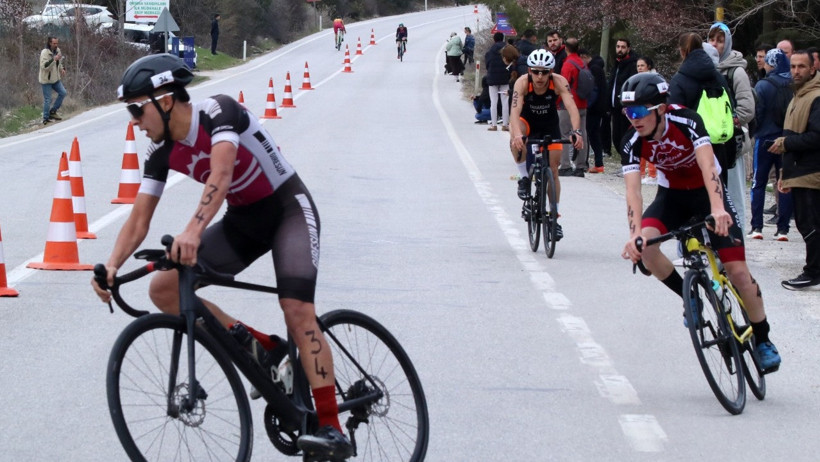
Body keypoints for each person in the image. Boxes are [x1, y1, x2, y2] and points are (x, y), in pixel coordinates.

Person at [90, 54, 354, 459]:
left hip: (287, 210)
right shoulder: (160, 152)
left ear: (165, 100)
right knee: (164, 288)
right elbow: (139, 218)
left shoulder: (218, 113)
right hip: (242, 223)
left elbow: (222, 172)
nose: (134, 121)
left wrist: (193, 230)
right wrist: (112, 266)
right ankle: (261, 346)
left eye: (136, 109)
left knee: (297, 309)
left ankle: (332, 427)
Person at [617, 72, 781, 371]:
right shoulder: (631, 140)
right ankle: (689, 295)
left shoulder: (687, 121)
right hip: (672, 197)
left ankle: (763, 338)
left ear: (661, 109)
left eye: (639, 111)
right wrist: (635, 233)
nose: (633, 119)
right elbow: (633, 192)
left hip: (707, 194)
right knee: (648, 248)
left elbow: (708, 167)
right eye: (628, 112)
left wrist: (718, 209)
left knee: (738, 272)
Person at [509, 49, 585, 241]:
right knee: (515, 137)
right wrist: (517, 135)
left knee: (554, 170)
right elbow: (514, 112)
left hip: (549, 126)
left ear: (551, 72)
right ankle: (524, 177)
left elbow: (572, 108)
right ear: (529, 71)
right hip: (527, 122)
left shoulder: (559, 82)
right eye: (535, 72)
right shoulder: (522, 83)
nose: (540, 77)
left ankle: (553, 217)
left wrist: (576, 132)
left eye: (544, 72)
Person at [769, 50, 820, 290]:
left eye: (802, 67)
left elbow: (817, 137)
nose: (796, 71)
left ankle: (813, 272)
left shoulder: (816, 97)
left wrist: (785, 143)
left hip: (812, 172)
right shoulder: (798, 96)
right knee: (806, 223)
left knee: (810, 225)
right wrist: (784, 174)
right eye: (793, 66)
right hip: (799, 172)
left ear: (813, 69)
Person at [709, 22, 756, 236]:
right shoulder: (706, 69)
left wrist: (725, 123)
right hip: (709, 144)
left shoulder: (736, 72)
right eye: (712, 39)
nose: (715, 44)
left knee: (734, 196)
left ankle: (737, 239)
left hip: (731, 144)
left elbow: (747, 109)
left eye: (720, 40)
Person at [668, 34, 735, 186]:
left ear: (682, 51)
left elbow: (673, 114)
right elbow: (731, 104)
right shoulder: (718, 76)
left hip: (691, 149)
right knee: (718, 191)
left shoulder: (680, 79)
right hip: (719, 143)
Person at [749, 48, 794, 241]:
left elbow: (757, 112)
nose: (764, 65)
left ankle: (756, 227)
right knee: (784, 183)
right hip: (786, 141)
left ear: (772, 64)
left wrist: (755, 130)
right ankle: (783, 229)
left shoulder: (762, 85)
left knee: (758, 183)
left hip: (764, 139)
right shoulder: (793, 85)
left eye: (766, 62)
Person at [557, 38, 589, 176]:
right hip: (583, 103)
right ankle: (581, 166)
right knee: (581, 133)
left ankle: (565, 165)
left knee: (564, 133)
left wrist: (558, 101)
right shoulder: (582, 63)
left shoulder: (568, 64)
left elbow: (563, 86)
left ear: (566, 48)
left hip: (568, 105)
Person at [608, 38, 639, 158]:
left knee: (625, 137)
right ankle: (625, 160)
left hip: (625, 109)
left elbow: (631, 86)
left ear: (628, 49)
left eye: (623, 47)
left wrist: (626, 105)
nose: (620, 49)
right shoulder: (617, 64)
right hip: (615, 107)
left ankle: (629, 160)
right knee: (616, 138)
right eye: (618, 47)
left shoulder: (632, 65)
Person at [582, 49, 608, 173]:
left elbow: (594, 90)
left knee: (588, 134)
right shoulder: (597, 67)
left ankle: (586, 162)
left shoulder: (593, 69)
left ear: (584, 57)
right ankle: (599, 163)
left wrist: (587, 105)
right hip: (599, 107)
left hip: (593, 107)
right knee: (594, 135)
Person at [635, 56, 658, 183]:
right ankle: (641, 172)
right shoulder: (636, 79)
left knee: (651, 143)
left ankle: (653, 174)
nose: (639, 68)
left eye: (642, 65)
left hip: (651, 115)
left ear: (648, 66)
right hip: (639, 114)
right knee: (641, 143)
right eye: (638, 66)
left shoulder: (654, 79)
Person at [485, 32, 511, 131]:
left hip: (492, 78)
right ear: (503, 39)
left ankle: (494, 125)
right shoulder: (507, 50)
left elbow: (487, 65)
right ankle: (505, 125)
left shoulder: (490, 51)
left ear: (494, 39)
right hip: (505, 78)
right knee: (505, 102)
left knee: (493, 102)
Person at [39, 36, 66, 125]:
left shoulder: (58, 50)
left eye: (57, 43)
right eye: (54, 43)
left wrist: (62, 69)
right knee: (48, 99)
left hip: (55, 78)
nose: (56, 45)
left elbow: (59, 62)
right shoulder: (44, 52)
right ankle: (45, 118)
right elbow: (44, 66)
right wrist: (53, 59)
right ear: (50, 43)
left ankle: (53, 111)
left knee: (63, 93)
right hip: (46, 80)